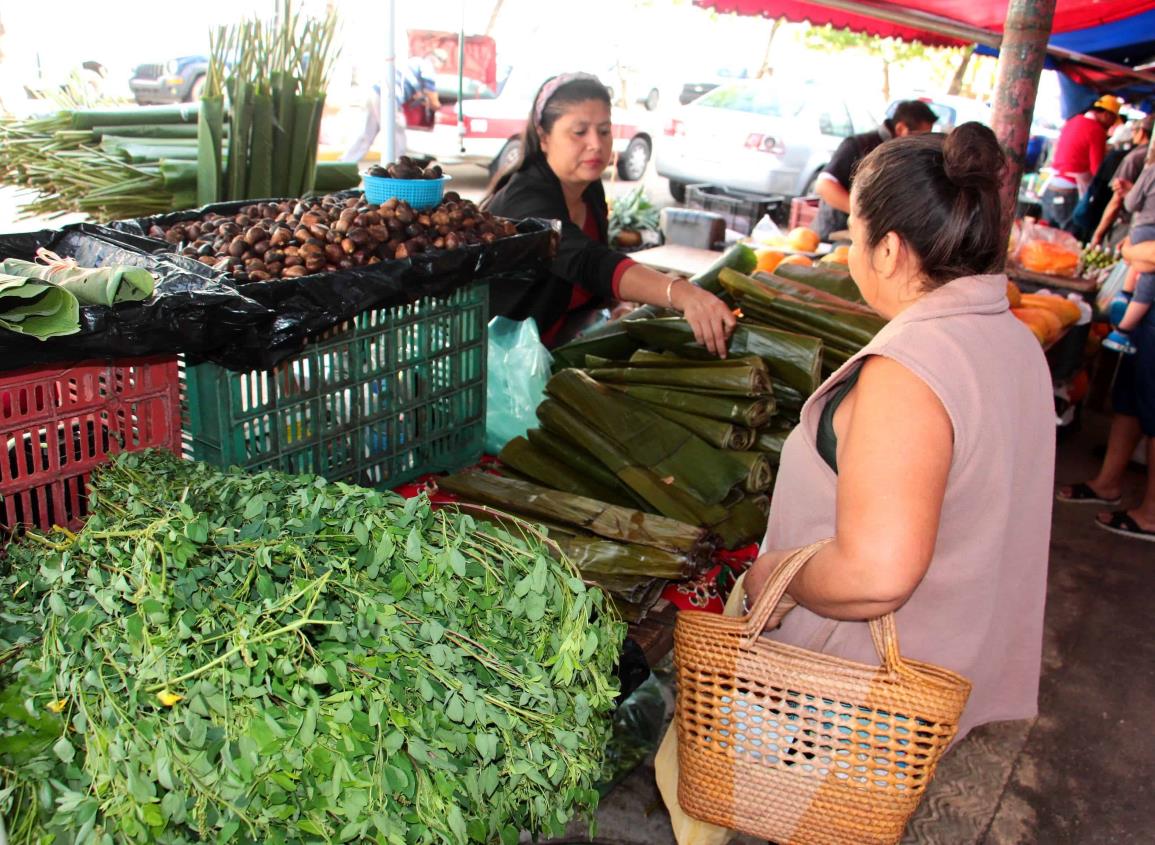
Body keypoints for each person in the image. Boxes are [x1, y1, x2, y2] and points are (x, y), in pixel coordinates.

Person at [482, 73, 735, 352]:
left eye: (604, 131)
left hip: (558, 352)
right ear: (544, 136)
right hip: (499, 364)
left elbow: (596, 266)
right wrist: (682, 293)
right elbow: (586, 260)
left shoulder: (588, 190)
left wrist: (618, 303)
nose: (596, 144)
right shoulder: (525, 199)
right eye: (579, 132)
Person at [1058, 214, 1155, 544]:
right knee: (1129, 402)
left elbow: (1142, 252)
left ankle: (1151, 514)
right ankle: (1108, 483)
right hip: (1147, 313)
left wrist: (1133, 253)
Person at [813, 100, 938, 240]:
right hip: (834, 236)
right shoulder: (858, 145)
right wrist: (862, 216)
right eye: (920, 135)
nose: (922, 141)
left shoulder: (907, 155)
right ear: (901, 128)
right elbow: (824, 185)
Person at [343, 48, 447, 164]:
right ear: (437, 60)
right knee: (398, 136)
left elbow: (416, 94)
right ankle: (399, 168)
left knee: (366, 135)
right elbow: (432, 96)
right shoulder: (427, 66)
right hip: (389, 97)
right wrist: (437, 106)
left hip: (376, 92)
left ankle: (344, 163)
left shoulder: (414, 62)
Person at [1040, 94, 1122, 232]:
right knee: (1067, 241)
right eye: (1113, 119)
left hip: (1051, 187)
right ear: (1106, 114)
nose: (1113, 124)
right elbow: (1097, 169)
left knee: (1044, 237)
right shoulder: (1097, 131)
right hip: (1070, 192)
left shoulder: (1073, 121)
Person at [1090, 114, 1153, 249]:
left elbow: (1119, 201)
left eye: (1134, 130)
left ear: (1141, 132)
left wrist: (1098, 234)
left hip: (1133, 226)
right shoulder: (1143, 157)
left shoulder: (1136, 159)